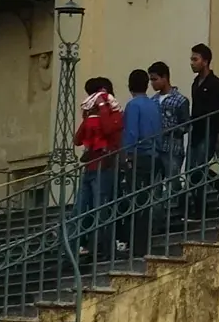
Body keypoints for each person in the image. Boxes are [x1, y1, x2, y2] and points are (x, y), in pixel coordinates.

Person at [73, 75, 123, 263]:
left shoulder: (114, 112)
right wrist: (88, 117)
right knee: (82, 208)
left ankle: (104, 248)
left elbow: (109, 130)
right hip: (91, 167)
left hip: (105, 166)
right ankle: (82, 246)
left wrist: (103, 106)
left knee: (102, 209)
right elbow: (78, 139)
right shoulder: (92, 116)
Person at [119, 65, 163, 254]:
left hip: (138, 156)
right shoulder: (154, 104)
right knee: (146, 201)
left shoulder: (133, 105)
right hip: (154, 155)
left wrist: (126, 156)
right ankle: (144, 244)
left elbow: (131, 132)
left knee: (135, 201)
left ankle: (136, 245)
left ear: (130, 86)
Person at [150, 59, 191, 229]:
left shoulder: (180, 100)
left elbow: (186, 124)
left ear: (165, 78)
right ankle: (158, 220)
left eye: (155, 79)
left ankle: (180, 212)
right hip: (156, 148)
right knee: (155, 186)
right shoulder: (152, 101)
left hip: (173, 147)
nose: (152, 83)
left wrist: (171, 130)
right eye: (151, 80)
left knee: (173, 183)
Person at [188, 44, 219, 220]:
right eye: (191, 59)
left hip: (209, 131)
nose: (192, 63)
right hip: (196, 132)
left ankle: (201, 208)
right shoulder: (195, 83)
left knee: (200, 168)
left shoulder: (216, 84)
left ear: (205, 61)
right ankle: (199, 203)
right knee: (193, 170)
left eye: (195, 59)